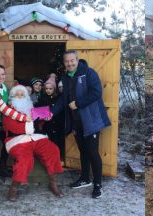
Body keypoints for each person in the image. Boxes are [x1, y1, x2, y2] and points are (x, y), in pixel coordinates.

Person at [51, 50, 111, 199]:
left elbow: (96, 92)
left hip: (91, 120)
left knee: (92, 152)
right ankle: (85, 178)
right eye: (67, 61)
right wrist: (52, 112)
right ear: (64, 63)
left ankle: (98, 184)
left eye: (72, 60)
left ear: (77, 60)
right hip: (76, 122)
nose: (70, 63)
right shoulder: (65, 78)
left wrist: (77, 103)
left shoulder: (89, 73)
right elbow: (63, 100)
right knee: (83, 151)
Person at [3, 85, 63, 202]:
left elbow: (37, 123)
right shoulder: (9, 110)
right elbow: (9, 126)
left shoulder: (30, 108)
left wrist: (43, 119)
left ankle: (53, 182)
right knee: (25, 159)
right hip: (18, 140)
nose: (20, 97)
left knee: (53, 150)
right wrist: (27, 123)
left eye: (22, 94)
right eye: (17, 94)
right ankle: (14, 187)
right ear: (12, 97)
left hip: (34, 138)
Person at [37, 77, 65, 160]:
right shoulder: (42, 98)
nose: (48, 90)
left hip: (58, 124)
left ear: (54, 88)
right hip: (47, 125)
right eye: (46, 88)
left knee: (58, 143)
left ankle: (58, 160)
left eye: (50, 88)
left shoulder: (59, 98)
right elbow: (38, 110)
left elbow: (60, 110)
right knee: (49, 143)